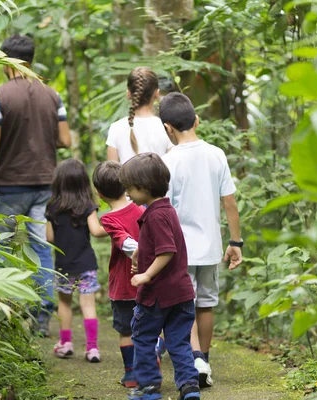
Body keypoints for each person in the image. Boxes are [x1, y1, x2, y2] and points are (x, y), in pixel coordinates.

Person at [0, 34, 72, 338]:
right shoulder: (53, 95)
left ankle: (4, 308)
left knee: (0, 246)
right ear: (31, 60)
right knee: (41, 245)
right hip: (45, 182)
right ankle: (43, 315)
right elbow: (65, 141)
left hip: (9, 185)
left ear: (5, 61)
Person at [159, 92, 243, 388]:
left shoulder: (168, 161)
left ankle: (195, 359)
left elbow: (162, 209)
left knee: (183, 306)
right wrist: (236, 242)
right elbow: (229, 203)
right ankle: (203, 359)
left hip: (179, 251)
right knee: (205, 304)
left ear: (167, 127)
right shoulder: (217, 154)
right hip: (210, 248)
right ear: (196, 120)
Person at [119, 153, 200, 400]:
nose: (127, 194)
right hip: (181, 294)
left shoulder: (154, 216)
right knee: (178, 342)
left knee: (143, 338)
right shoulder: (166, 211)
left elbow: (166, 251)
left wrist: (145, 275)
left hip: (157, 296)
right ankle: (189, 387)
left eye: (129, 189)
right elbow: (159, 243)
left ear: (143, 188)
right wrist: (139, 255)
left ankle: (149, 387)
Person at [45, 159, 107, 363]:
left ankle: (66, 344)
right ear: (83, 182)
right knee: (88, 305)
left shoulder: (53, 207)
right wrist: (115, 227)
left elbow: (50, 238)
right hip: (86, 264)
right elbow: (96, 231)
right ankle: (92, 349)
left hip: (63, 265)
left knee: (64, 302)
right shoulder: (87, 206)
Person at [92, 161, 144, 387]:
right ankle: (155, 351)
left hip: (123, 285)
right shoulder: (142, 209)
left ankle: (131, 374)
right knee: (152, 325)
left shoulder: (108, 219)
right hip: (148, 281)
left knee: (126, 331)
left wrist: (139, 254)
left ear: (100, 194)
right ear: (126, 185)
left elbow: (125, 243)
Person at [106, 67, 173, 164]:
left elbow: (110, 174)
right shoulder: (167, 128)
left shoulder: (116, 128)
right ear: (157, 93)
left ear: (128, 93)